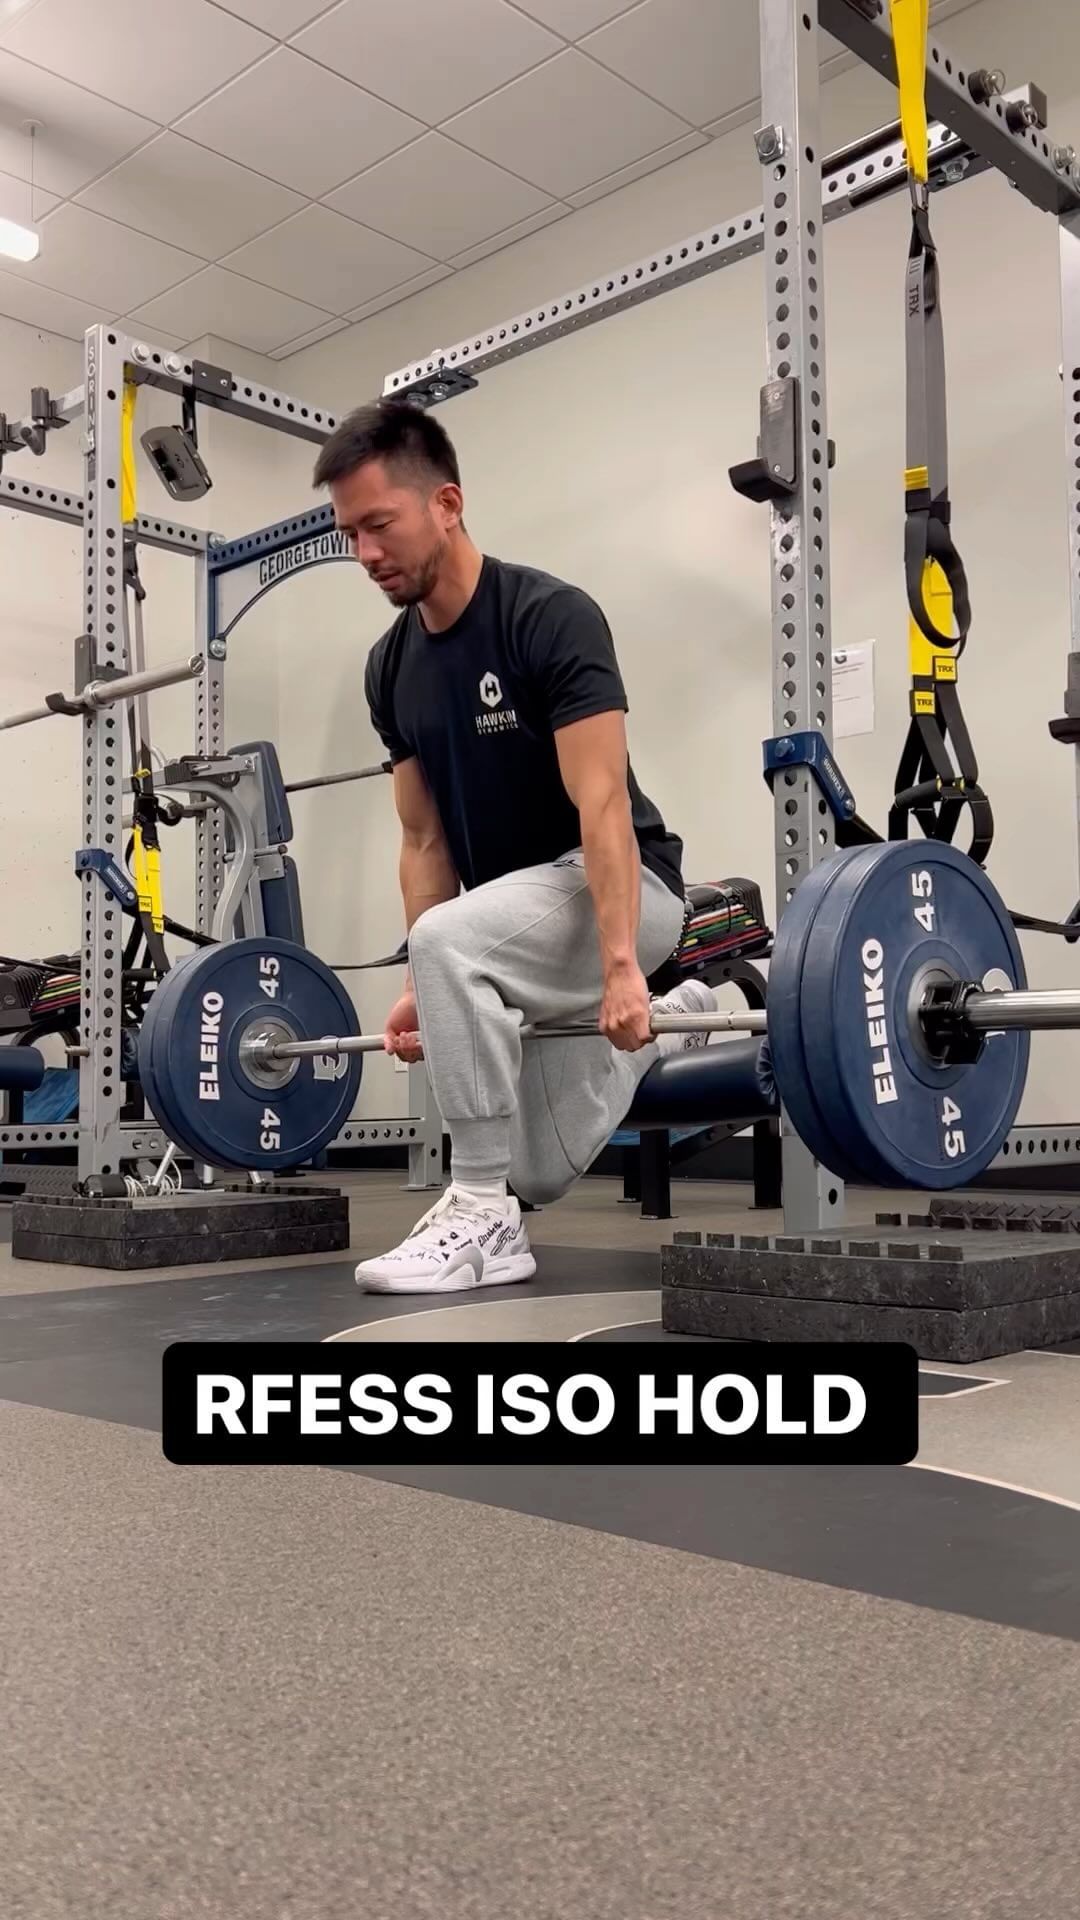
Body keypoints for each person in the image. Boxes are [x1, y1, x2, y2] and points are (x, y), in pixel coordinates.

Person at [312, 401, 717, 1294]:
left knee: (454, 951)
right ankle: (676, 1020)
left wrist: (622, 965)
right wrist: (424, 983)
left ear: (447, 504)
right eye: (350, 535)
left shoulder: (549, 616)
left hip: (627, 892)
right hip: (522, 926)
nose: (366, 553)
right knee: (539, 1165)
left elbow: (603, 804)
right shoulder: (389, 666)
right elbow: (423, 837)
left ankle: (481, 1213)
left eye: (380, 525)